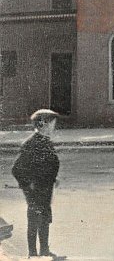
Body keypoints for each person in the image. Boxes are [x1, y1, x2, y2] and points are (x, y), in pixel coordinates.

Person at [12, 109, 60, 259]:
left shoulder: (44, 141)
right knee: (35, 220)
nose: (54, 127)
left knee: (44, 218)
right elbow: (17, 169)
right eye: (52, 124)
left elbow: (45, 165)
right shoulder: (32, 143)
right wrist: (28, 186)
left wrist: (53, 178)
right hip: (35, 190)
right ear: (44, 124)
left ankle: (44, 250)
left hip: (44, 188)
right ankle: (32, 253)